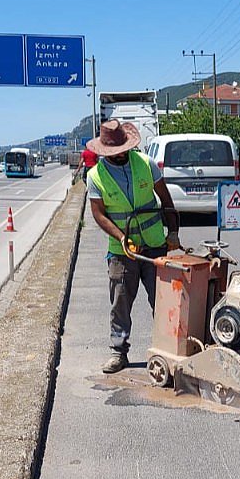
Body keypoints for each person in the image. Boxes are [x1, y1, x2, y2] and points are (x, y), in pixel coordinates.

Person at [86, 120, 180, 374]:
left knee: (163, 301)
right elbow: (99, 214)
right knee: (120, 302)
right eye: (113, 151)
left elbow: (166, 199)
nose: (119, 154)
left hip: (154, 246)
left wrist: (172, 232)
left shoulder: (146, 164)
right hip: (121, 252)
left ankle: (168, 350)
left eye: (122, 149)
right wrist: (121, 238)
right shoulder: (95, 176)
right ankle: (119, 352)